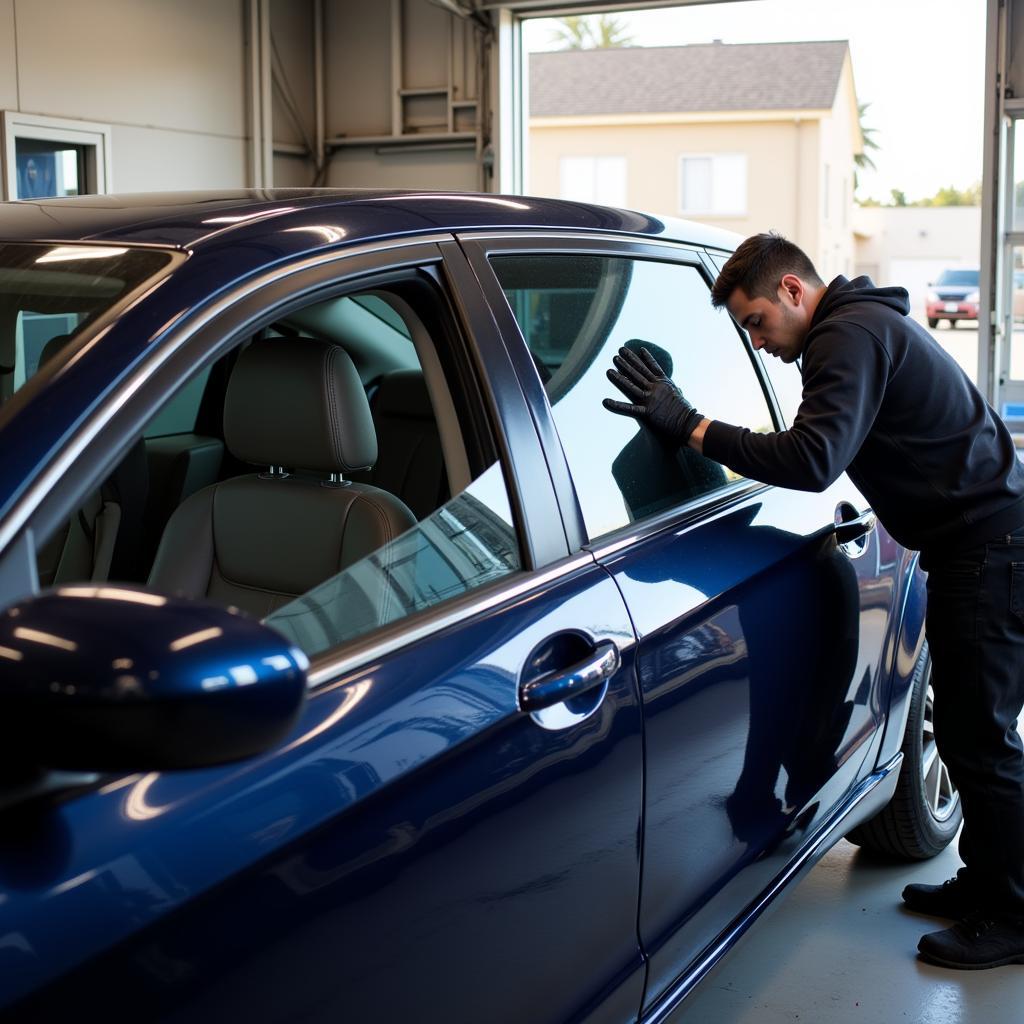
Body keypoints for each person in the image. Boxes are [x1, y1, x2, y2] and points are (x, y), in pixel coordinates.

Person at [603, 231, 1024, 971]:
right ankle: (991, 884)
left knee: (982, 740)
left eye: (758, 322)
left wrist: (693, 426)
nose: (758, 343)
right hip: (982, 543)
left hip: (988, 550)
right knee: (966, 730)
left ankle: (1015, 914)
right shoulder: (864, 326)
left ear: (794, 291)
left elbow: (812, 458)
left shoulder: (846, 338)